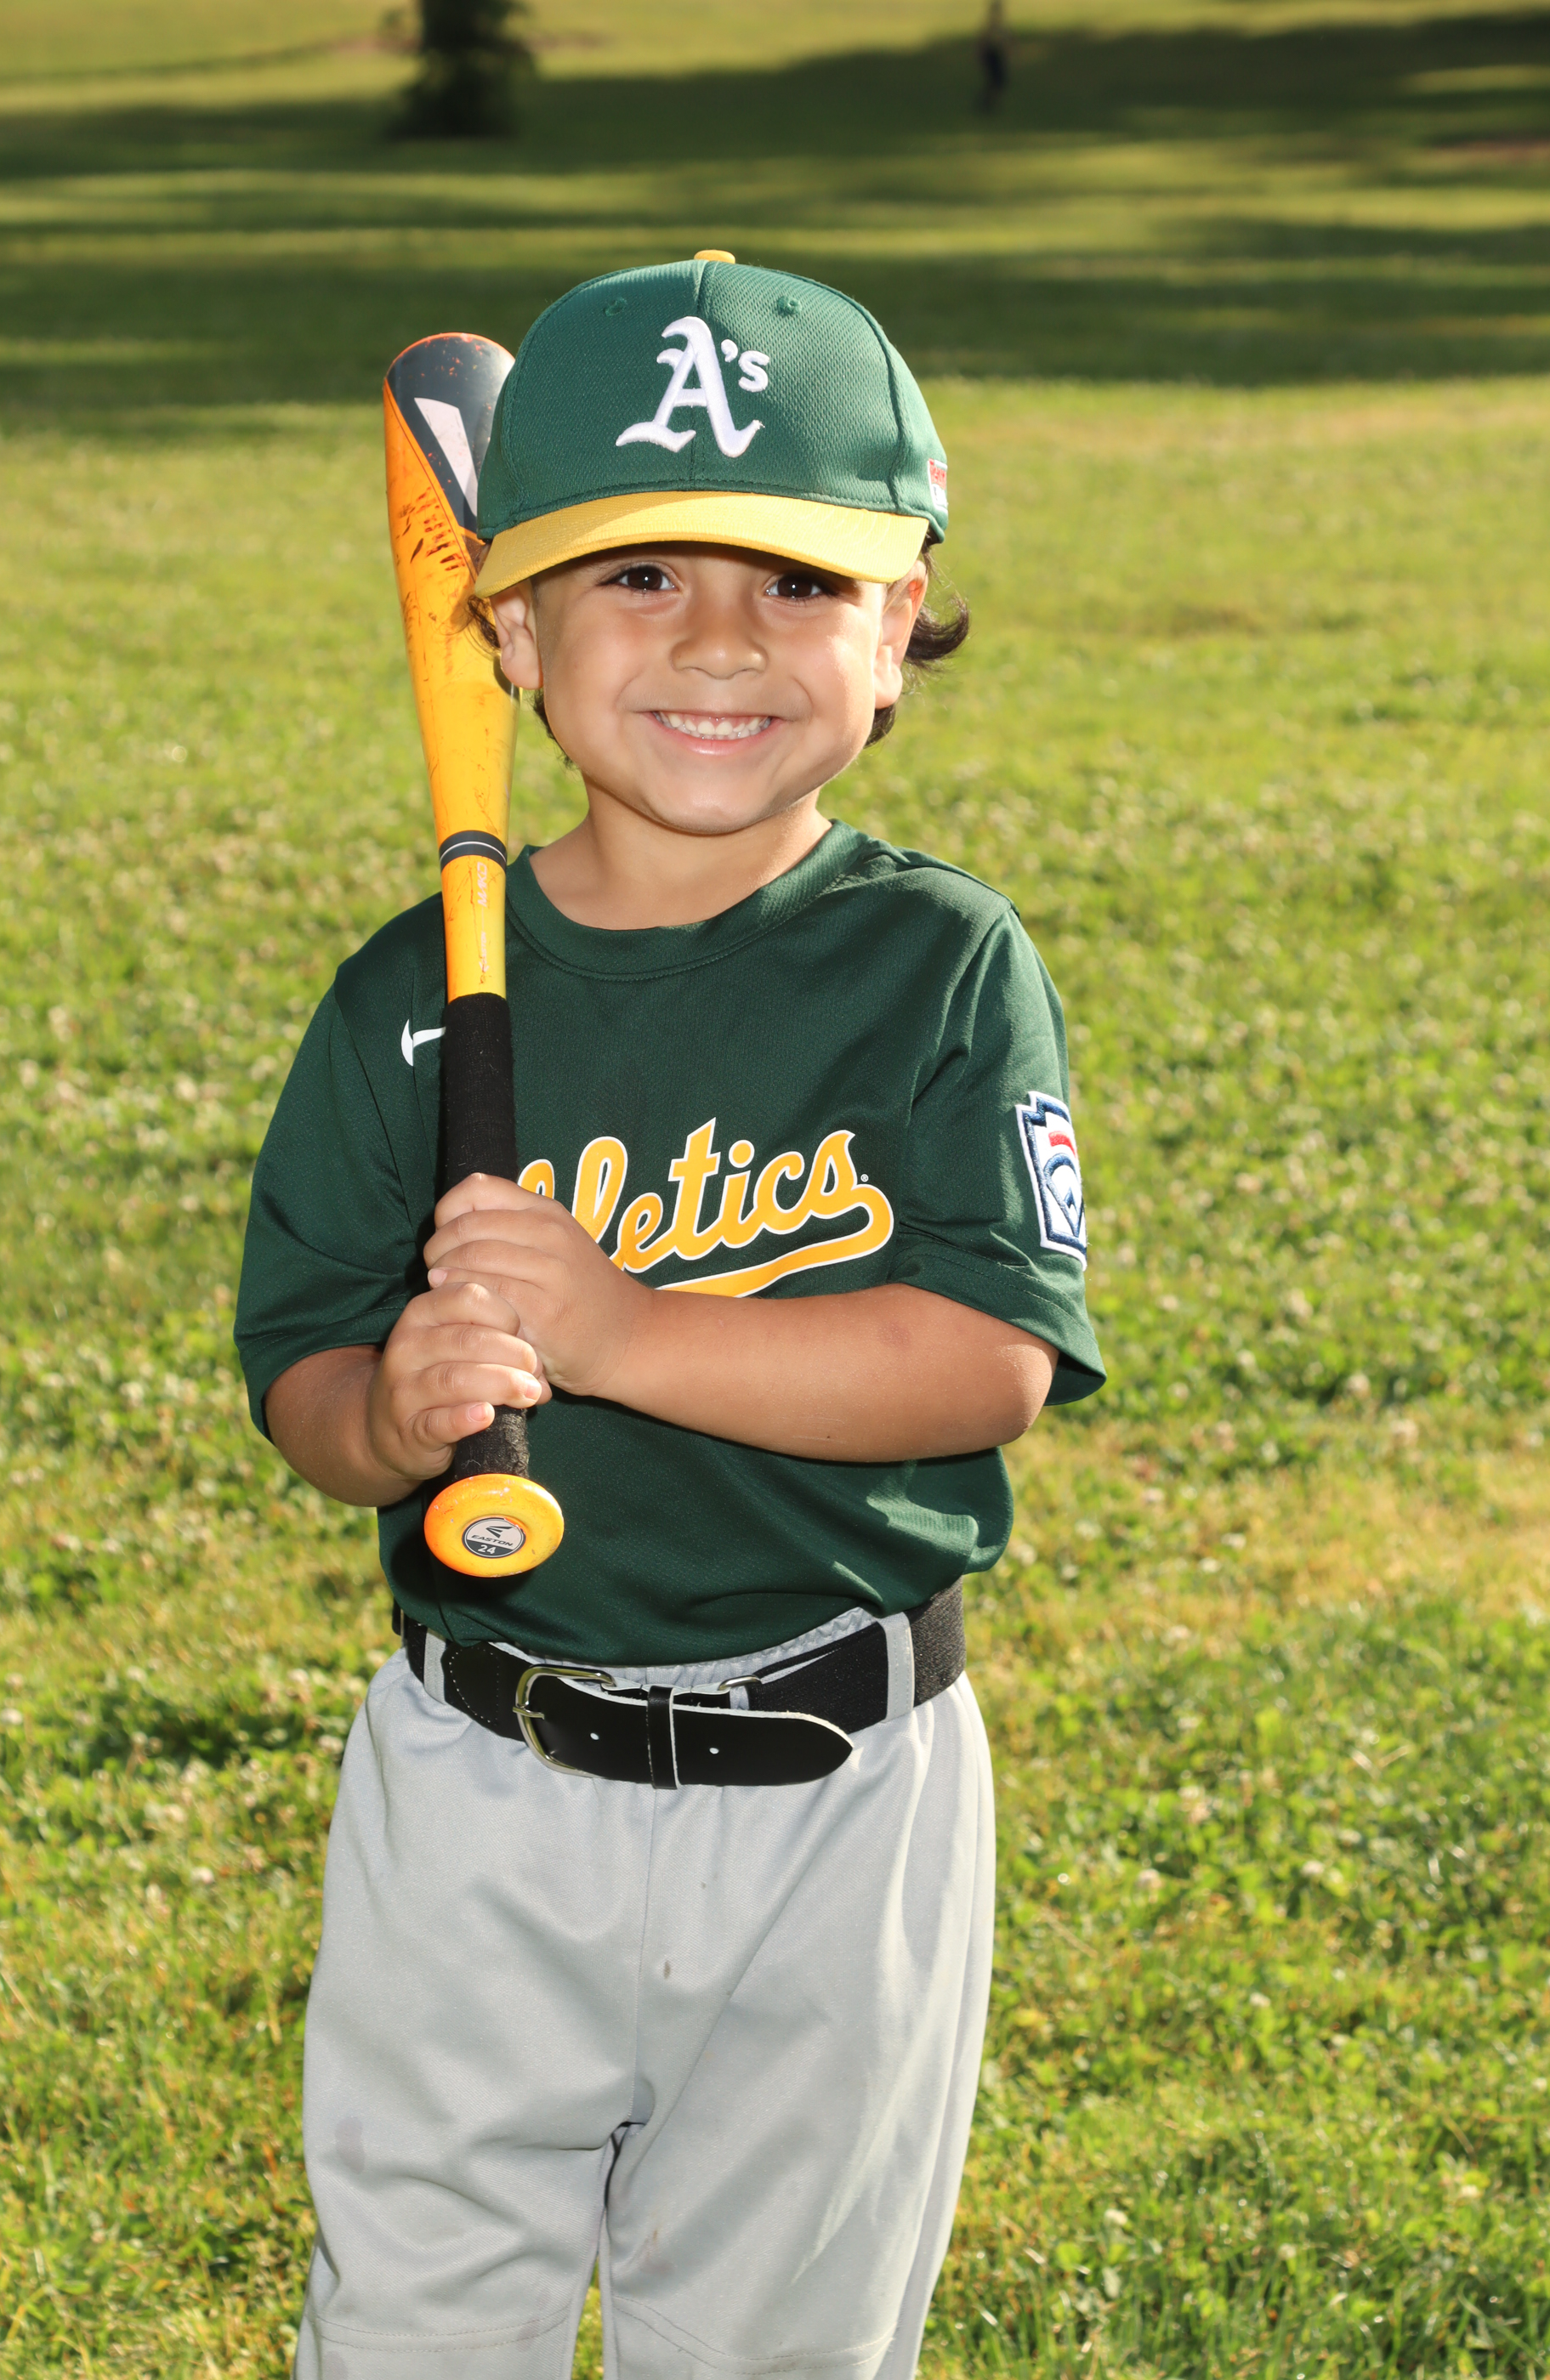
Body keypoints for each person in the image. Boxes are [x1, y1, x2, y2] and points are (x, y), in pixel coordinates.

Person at [235, 252, 1103, 2380]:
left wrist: (618, 1331)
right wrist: (394, 1412)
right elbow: (305, 1372)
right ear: (510, 631)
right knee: (416, 2321)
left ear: (896, 627)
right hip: (487, 1771)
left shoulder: (935, 966)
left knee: (776, 2344)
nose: (719, 640)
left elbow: (980, 1360)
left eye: (797, 583)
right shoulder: (410, 1000)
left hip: (841, 1781)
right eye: (636, 576)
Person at [978, 0, 1010, 111]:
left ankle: (992, 103)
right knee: (995, 81)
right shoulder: (992, 26)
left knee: (998, 81)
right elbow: (985, 41)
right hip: (992, 55)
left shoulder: (998, 26)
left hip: (996, 55)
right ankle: (989, 104)